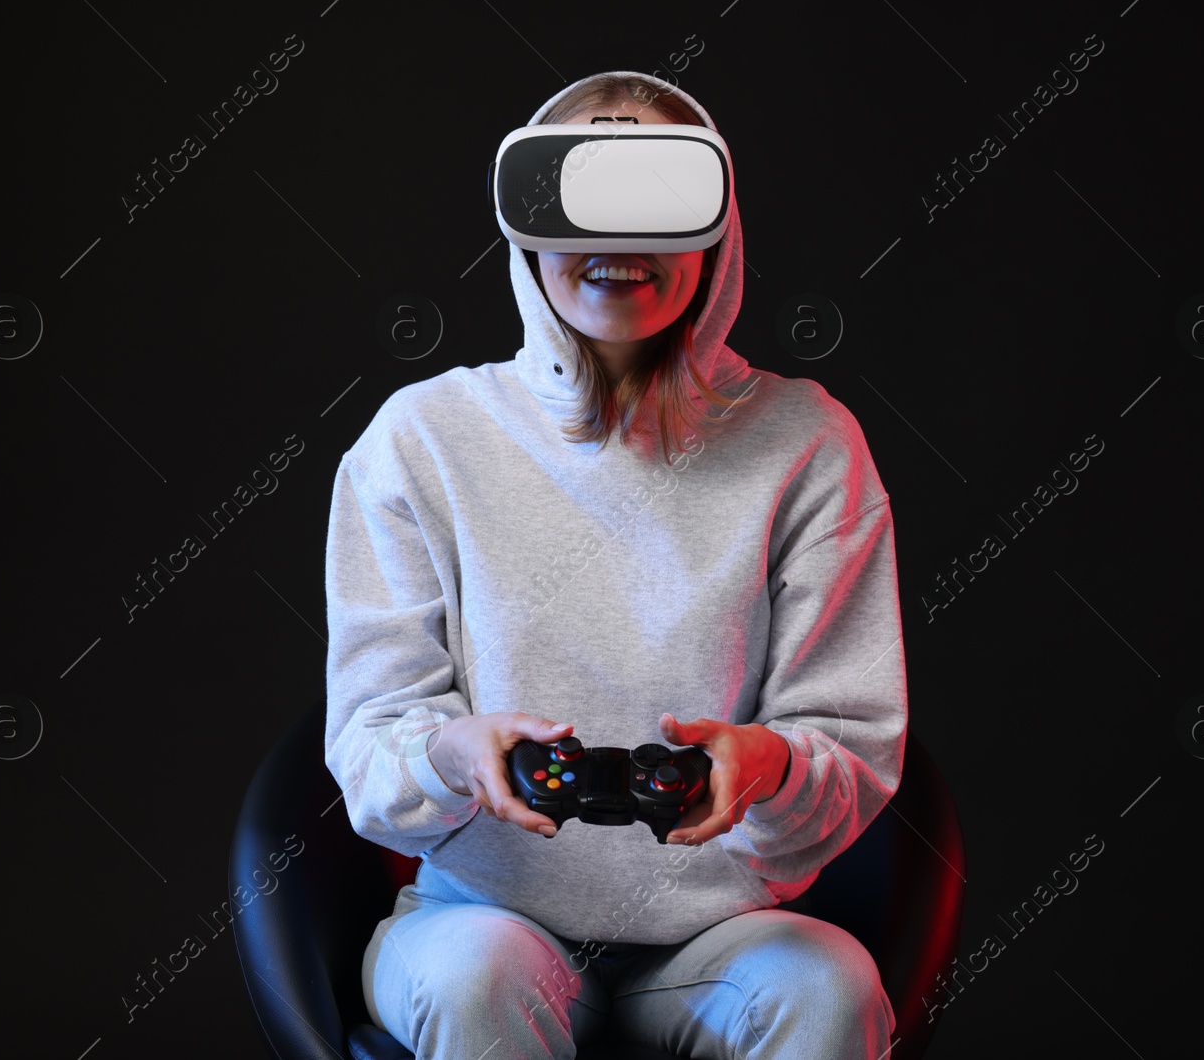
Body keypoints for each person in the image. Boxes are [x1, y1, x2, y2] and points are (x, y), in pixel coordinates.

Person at [324, 69, 908, 1059]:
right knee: (478, 979)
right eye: (583, 202)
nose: (617, 247)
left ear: (714, 227)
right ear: (529, 222)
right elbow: (373, 736)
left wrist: (766, 765)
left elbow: (850, 744)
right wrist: (454, 752)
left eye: (655, 204)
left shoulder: (809, 444)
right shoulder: (420, 439)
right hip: (484, 915)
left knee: (829, 989)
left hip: (719, 935)